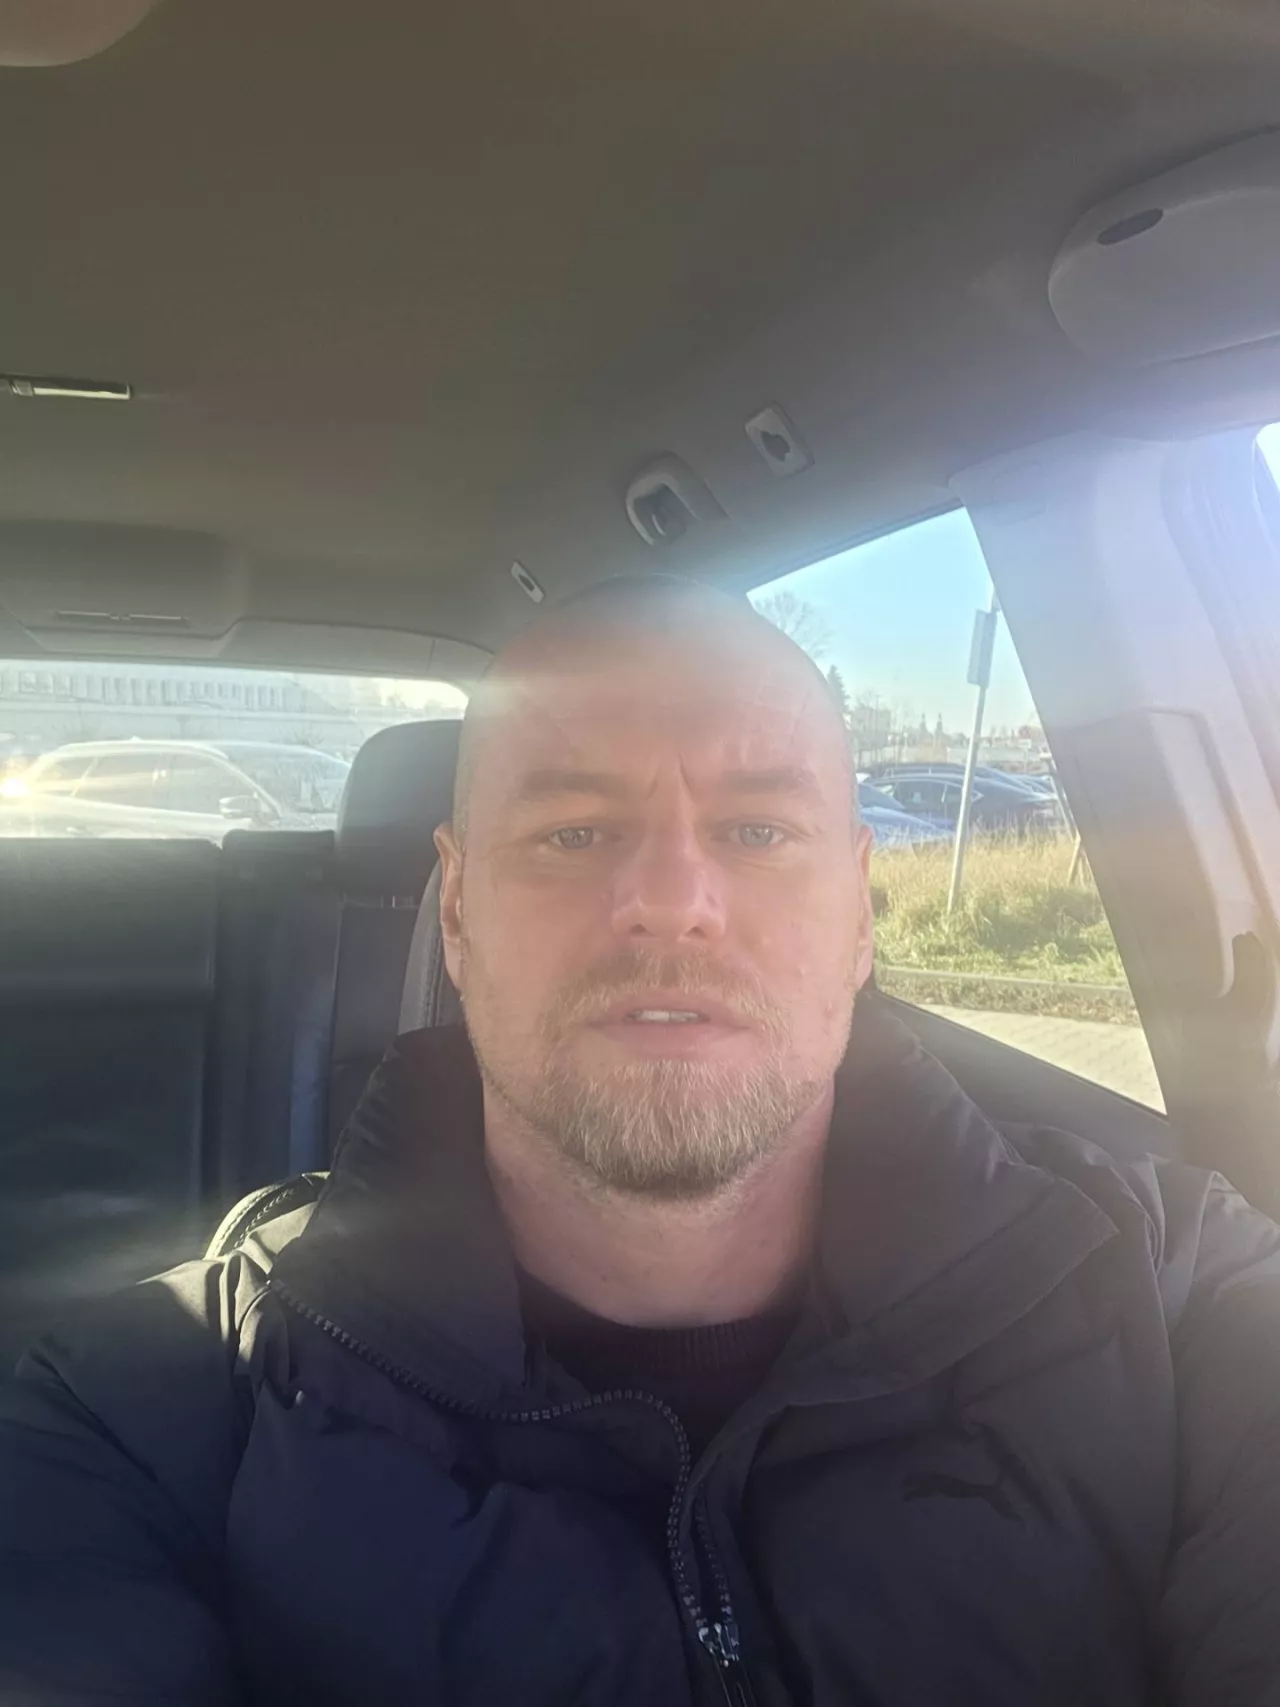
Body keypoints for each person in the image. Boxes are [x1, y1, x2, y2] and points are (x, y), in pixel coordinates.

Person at [2, 576, 1279, 1707]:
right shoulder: (143, 1410)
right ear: (458, 912)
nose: (669, 902)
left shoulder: (1185, 1299)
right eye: (573, 833)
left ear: (857, 915)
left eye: (757, 831)